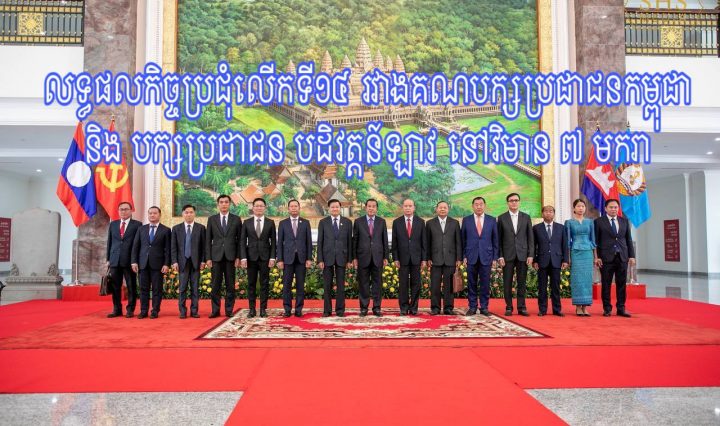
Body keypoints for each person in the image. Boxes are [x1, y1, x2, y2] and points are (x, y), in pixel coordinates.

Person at [595, 199, 636, 317]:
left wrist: (631, 256)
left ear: (618, 209)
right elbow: (596, 241)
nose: (613, 209)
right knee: (606, 284)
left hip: (622, 256)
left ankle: (621, 308)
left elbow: (628, 239)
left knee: (622, 284)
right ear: (605, 208)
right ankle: (607, 308)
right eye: (611, 207)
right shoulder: (598, 222)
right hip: (606, 258)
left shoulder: (624, 221)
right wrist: (597, 257)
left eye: (616, 207)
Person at [497, 193, 534, 316]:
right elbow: (498, 239)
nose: (514, 202)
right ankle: (509, 307)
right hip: (507, 255)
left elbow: (530, 237)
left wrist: (530, 255)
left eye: (516, 200)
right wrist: (500, 255)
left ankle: (521, 307)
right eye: (511, 200)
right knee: (507, 282)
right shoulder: (501, 218)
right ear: (507, 202)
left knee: (521, 282)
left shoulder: (526, 217)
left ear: (519, 202)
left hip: (523, 255)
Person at [205, 194, 242, 318]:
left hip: (231, 257)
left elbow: (240, 240)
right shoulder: (212, 219)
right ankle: (215, 310)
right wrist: (208, 258)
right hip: (216, 257)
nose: (224, 204)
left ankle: (229, 310)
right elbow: (208, 240)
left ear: (229, 204)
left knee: (230, 285)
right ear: (218, 204)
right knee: (215, 285)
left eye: (226, 202)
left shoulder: (236, 219)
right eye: (221, 202)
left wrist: (238, 257)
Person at [131, 206, 171, 319]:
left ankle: (155, 310)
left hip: (158, 265)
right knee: (143, 289)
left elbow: (168, 249)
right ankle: (143, 311)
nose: (152, 215)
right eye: (150, 213)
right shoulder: (141, 229)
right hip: (143, 264)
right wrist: (134, 261)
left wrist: (166, 264)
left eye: (154, 213)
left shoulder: (166, 230)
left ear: (159, 215)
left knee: (157, 289)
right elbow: (135, 246)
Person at [461, 197, 498, 316]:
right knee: (471, 283)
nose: (479, 206)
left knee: (485, 283)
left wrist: (495, 257)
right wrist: (463, 255)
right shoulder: (466, 220)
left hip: (486, 256)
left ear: (484, 205)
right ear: (472, 206)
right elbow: (463, 240)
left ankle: (484, 307)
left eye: (481, 204)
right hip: (471, 256)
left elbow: (495, 240)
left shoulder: (492, 220)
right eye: (476, 204)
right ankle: (472, 307)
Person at [240, 198, 276, 318]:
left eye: (261, 206)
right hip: (251, 258)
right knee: (251, 284)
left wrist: (272, 257)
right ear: (253, 208)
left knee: (264, 284)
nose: (259, 208)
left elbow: (273, 242)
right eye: (257, 206)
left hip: (265, 257)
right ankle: (252, 309)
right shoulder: (247, 222)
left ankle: (263, 309)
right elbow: (242, 241)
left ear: (265, 208)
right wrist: (243, 258)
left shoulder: (270, 222)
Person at [316, 199, 353, 317]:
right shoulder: (323, 222)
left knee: (341, 285)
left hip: (342, 257)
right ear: (329, 209)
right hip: (327, 257)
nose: (335, 209)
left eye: (337, 207)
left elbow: (350, 242)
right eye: (332, 207)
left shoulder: (347, 222)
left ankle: (340, 310)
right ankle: (327, 310)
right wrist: (320, 259)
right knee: (327, 285)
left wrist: (349, 259)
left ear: (340, 208)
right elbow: (320, 242)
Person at [353, 198, 389, 317]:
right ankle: (364, 308)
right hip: (362, 257)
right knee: (363, 284)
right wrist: (354, 257)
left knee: (377, 284)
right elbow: (355, 240)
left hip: (378, 257)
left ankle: (377, 308)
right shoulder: (358, 222)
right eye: (369, 206)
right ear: (365, 207)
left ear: (376, 208)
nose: (371, 208)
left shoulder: (381, 222)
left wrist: (385, 256)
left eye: (374, 206)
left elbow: (384, 240)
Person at [425, 201, 462, 315]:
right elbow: (427, 242)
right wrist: (428, 258)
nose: (442, 209)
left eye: (444, 207)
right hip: (435, 259)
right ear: (436, 209)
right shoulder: (430, 223)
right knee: (435, 285)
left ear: (448, 209)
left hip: (450, 258)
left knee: (449, 286)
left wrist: (458, 258)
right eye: (440, 207)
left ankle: (448, 308)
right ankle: (435, 308)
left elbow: (458, 242)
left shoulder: (454, 223)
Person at [276, 199, 312, 317]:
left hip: (301, 259)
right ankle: (287, 309)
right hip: (287, 259)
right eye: (291, 206)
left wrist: (309, 258)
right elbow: (279, 243)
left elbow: (309, 242)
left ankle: (298, 309)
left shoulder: (305, 223)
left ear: (299, 208)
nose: (294, 208)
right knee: (287, 285)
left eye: (296, 206)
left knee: (300, 285)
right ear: (288, 209)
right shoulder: (283, 223)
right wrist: (280, 259)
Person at [105, 202, 142, 318]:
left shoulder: (137, 225)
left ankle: (130, 309)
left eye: (126, 209)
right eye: (121, 209)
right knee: (115, 287)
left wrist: (135, 260)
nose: (123, 211)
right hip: (114, 260)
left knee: (131, 286)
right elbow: (109, 242)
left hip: (129, 260)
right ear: (118, 211)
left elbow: (138, 244)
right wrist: (108, 259)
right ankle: (117, 309)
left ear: (131, 211)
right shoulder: (113, 224)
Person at [391, 199, 426, 315]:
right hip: (402, 258)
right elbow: (395, 243)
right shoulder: (397, 222)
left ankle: (414, 307)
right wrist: (395, 258)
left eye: (410, 206)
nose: (408, 208)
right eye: (405, 206)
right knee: (403, 284)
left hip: (416, 258)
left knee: (416, 284)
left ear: (414, 208)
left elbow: (424, 242)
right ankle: (404, 307)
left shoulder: (421, 222)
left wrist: (424, 259)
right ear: (402, 207)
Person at [532, 205, 568, 317]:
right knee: (542, 287)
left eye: (551, 211)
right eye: (546, 211)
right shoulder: (536, 228)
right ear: (542, 214)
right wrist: (534, 260)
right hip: (542, 261)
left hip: (556, 260)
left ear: (554, 213)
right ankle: (542, 309)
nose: (548, 213)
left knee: (555, 287)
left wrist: (565, 260)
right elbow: (533, 246)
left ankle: (557, 309)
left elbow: (565, 245)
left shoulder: (561, 228)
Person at [171, 204, 206, 319]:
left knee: (195, 288)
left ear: (194, 214)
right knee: (182, 288)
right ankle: (182, 311)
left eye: (191, 212)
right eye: (186, 212)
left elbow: (204, 247)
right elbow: (173, 247)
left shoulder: (201, 228)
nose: (189, 214)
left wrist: (203, 261)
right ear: (183, 214)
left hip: (196, 262)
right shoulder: (176, 229)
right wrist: (174, 261)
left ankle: (194, 311)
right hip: (182, 262)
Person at [564, 199, 597, 317]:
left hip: (588, 252)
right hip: (575, 252)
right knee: (577, 279)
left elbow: (593, 240)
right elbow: (567, 241)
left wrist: (596, 257)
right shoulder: (569, 222)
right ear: (574, 208)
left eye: (583, 206)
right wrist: (568, 258)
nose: (581, 208)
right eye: (578, 206)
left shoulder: (590, 222)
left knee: (587, 279)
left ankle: (585, 307)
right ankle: (578, 307)